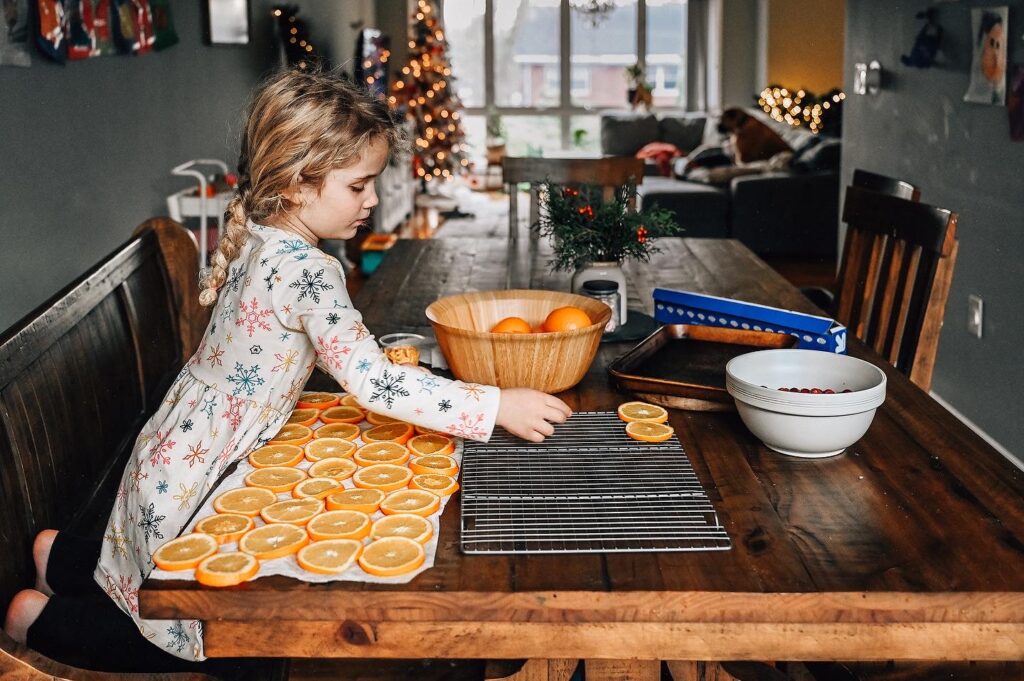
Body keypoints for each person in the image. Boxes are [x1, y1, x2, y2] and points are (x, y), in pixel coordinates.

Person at [3, 67, 572, 674]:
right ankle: (36, 621)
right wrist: (494, 405)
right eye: (359, 186)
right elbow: (374, 381)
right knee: (214, 634)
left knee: (140, 562)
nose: (373, 200)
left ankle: (58, 559)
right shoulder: (308, 271)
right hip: (202, 471)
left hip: (177, 451)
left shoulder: (265, 232)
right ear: (300, 184)